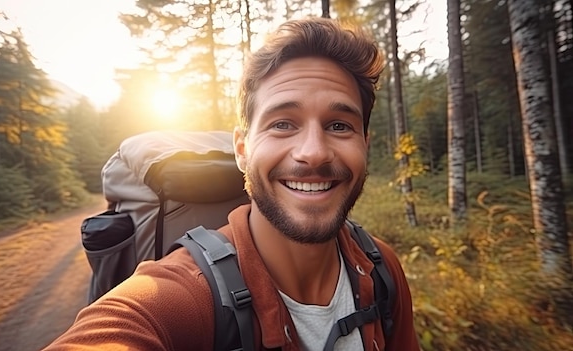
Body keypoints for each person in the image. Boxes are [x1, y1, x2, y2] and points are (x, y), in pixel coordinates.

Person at [44, 17, 420, 351]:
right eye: (282, 124)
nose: (313, 153)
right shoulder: (182, 295)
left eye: (339, 126)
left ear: (364, 145)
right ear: (242, 150)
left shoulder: (381, 267)